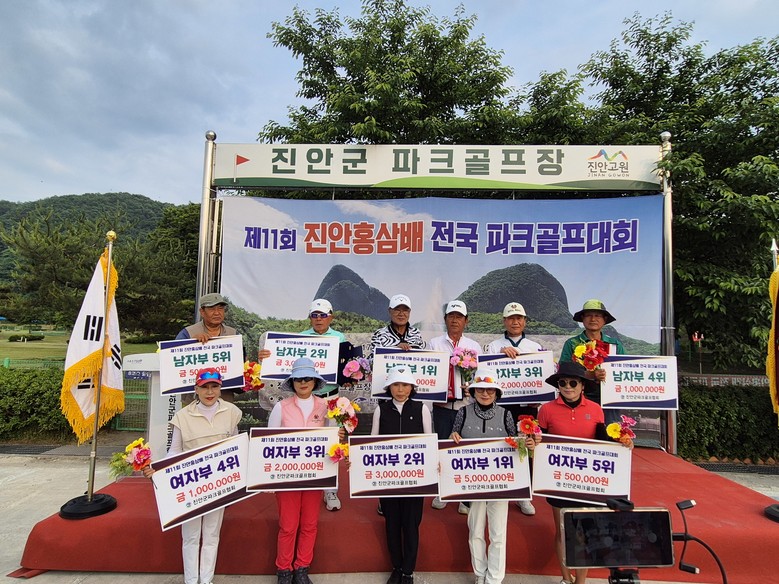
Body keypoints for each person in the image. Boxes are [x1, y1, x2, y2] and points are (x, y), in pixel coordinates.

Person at [537, 361, 633, 584]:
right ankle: (565, 578)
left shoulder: (596, 409)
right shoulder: (546, 410)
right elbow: (539, 442)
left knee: (585, 532)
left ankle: (580, 581)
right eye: (563, 383)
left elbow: (604, 441)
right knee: (563, 530)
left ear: (582, 386)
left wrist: (623, 442)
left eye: (573, 383)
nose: (567, 387)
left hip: (588, 479)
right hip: (558, 479)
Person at [143, 368, 242, 584]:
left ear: (220, 388)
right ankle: (191, 580)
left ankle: (206, 580)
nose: (209, 392)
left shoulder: (232, 412)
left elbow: (235, 446)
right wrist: (158, 470)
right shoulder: (182, 416)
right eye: (204, 387)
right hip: (191, 485)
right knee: (190, 536)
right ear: (195, 389)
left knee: (212, 534)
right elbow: (174, 451)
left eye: (214, 386)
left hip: (218, 484)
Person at [450, 368, 536, 584]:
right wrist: (453, 437)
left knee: (498, 533)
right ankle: (480, 573)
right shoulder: (463, 413)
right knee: (475, 531)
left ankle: (495, 578)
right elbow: (453, 441)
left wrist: (525, 444)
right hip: (473, 482)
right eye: (480, 389)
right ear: (473, 392)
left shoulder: (506, 414)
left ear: (497, 393)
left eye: (490, 390)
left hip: (500, 484)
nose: (485, 394)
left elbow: (516, 447)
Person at [260, 298, 346, 511]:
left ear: (331, 317)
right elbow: (286, 363)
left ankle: (330, 489)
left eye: (323, 315)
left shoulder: (339, 337)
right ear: (310, 318)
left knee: (331, 444)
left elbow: (346, 368)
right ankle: (300, 478)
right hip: (305, 398)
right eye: (315, 315)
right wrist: (267, 358)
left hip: (330, 397)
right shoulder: (300, 338)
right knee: (305, 443)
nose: (319, 319)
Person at [267, 357, 343, 584]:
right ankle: (284, 570)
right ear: (292, 382)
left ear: (315, 382)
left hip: (314, 476)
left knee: (309, 524)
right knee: (288, 526)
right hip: (287, 477)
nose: (303, 383)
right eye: (298, 379)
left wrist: (338, 436)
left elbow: (332, 444)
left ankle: (302, 568)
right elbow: (268, 443)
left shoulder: (326, 407)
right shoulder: (281, 407)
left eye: (308, 378)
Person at [371, 365, 433, 584]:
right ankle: (396, 567)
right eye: (396, 385)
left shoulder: (421, 409)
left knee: (411, 524)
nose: (400, 390)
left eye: (405, 385)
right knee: (392, 524)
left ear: (412, 387)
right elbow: (372, 442)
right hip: (387, 479)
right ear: (389, 387)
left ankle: (408, 571)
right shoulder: (381, 409)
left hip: (415, 480)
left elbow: (428, 441)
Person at [484, 301, 543, 516]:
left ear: (525, 321)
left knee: (526, 446)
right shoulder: (493, 346)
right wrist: (500, 354)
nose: (515, 322)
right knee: (500, 446)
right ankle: (498, 487)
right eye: (511, 318)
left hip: (527, 406)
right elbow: (486, 374)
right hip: (501, 406)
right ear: (504, 321)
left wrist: (540, 397)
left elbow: (542, 378)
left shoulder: (535, 347)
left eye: (519, 318)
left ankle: (523, 494)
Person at [428, 300, 482, 513]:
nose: (455, 320)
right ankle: (443, 490)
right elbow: (428, 373)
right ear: (445, 319)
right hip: (442, 406)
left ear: (466, 321)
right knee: (442, 447)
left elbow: (480, 377)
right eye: (451, 316)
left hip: (466, 406)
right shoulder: (434, 344)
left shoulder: (474, 346)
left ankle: (464, 496)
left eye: (459, 316)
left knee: (465, 449)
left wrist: (472, 388)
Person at [559, 299, 626, 424]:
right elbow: (563, 371)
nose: (593, 319)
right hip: (580, 399)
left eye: (597, 315)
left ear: (604, 320)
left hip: (610, 401)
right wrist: (590, 375)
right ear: (582, 319)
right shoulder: (572, 344)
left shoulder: (615, 345)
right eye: (589, 315)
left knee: (610, 432)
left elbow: (624, 370)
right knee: (583, 431)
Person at [176, 293, 240, 403]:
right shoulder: (188, 333)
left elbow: (242, 362)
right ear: (202, 312)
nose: (217, 313)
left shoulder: (233, 334)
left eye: (220, 308)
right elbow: (173, 360)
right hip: (193, 401)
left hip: (225, 400)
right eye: (212, 309)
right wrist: (191, 343)